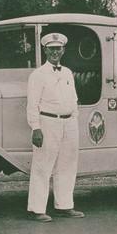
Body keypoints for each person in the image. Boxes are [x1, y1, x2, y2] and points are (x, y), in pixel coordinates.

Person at [26, 33, 84, 222]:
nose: (55, 52)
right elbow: (32, 104)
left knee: (67, 165)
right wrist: (36, 128)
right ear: (45, 50)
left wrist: (73, 117)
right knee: (43, 166)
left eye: (58, 49)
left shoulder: (67, 72)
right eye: (51, 49)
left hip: (69, 123)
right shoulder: (38, 75)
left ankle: (64, 206)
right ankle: (36, 210)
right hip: (47, 123)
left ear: (63, 50)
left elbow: (74, 99)